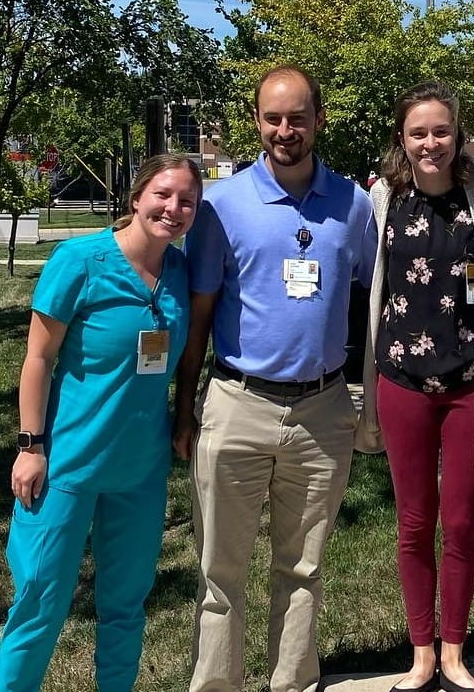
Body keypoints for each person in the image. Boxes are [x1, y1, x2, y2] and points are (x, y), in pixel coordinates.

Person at [173, 64, 377, 692]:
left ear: (319, 119)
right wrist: (186, 408)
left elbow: (376, 305)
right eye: (273, 118)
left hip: (323, 410)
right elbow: (200, 315)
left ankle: (292, 682)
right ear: (257, 121)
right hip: (237, 403)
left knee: (303, 565)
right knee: (219, 571)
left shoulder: (355, 205)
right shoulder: (224, 206)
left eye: (297, 117)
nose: (285, 130)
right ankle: (217, 685)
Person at [0, 154, 202, 692]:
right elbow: (37, 359)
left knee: (126, 606)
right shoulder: (80, 260)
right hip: (66, 463)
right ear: (136, 197)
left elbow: (181, 360)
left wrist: (183, 417)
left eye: (186, 201)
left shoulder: (179, 273)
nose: (173, 209)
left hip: (140, 469)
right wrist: (30, 445)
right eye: (162, 194)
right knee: (39, 600)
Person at [357, 81, 474, 692]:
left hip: (468, 384)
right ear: (402, 138)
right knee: (414, 523)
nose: (431, 143)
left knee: (462, 522)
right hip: (401, 381)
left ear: (458, 135)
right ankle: (420, 652)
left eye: (441, 131)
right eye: (418, 132)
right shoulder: (381, 203)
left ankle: (455, 652)